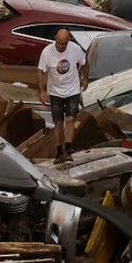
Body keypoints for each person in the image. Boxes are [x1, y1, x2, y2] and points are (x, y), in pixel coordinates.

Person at [37, 29, 88, 163]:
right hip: (55, 92)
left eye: (64, 44)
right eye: (59, 44)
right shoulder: (47, 52)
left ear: (68, 42)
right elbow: (40, 71)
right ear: (55, 39)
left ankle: (69, 148)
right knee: (58, 123)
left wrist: (85, 78)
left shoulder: (75, 49)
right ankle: (59, 151)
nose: (61, 47)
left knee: (70, 119)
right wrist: (42, 91)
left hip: (72, 91)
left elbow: (84, 62)